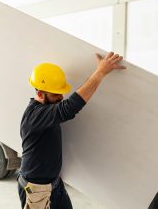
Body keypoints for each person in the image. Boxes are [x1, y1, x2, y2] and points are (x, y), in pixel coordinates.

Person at [18, 52, 125, 209]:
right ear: (40, 94)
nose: (61, 96)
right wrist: (100, 72)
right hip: (36, 191)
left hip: (54, 185)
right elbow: (69, 107)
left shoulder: (46, 110)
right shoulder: (35, 115)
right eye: (56, 94)